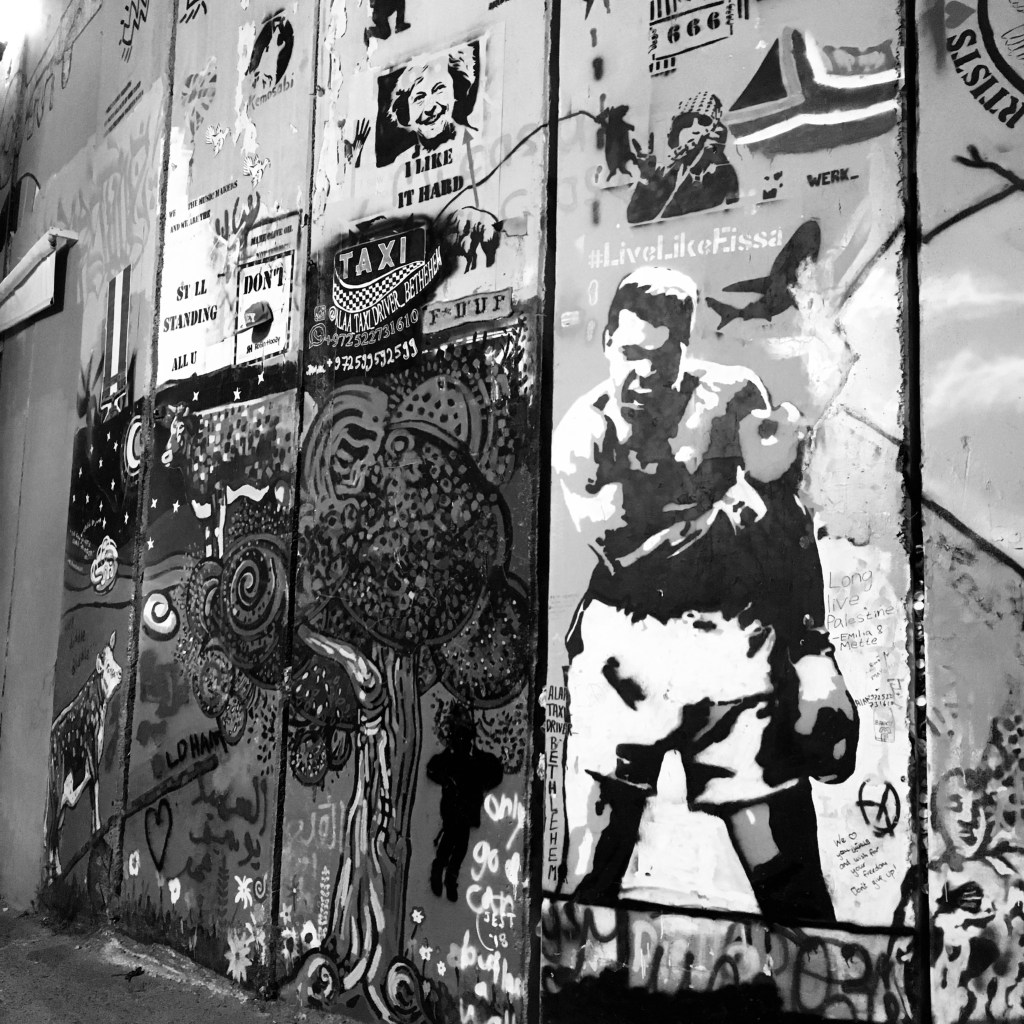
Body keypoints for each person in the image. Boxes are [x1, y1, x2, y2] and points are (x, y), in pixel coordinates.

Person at [553, 267, 858, 922]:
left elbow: (788, 532)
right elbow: (629, 554)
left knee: (789, 881)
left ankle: (822, 977)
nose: (643, 374)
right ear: (607, 342)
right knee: (590, 875)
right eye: (630, 353)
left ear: (683, 351)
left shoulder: (731, 398)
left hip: (730, 653)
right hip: (623, 659)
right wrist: (746, 500)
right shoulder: (584, 432)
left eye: (660, 358)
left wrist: (813, 655)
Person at [426, 711, 504, 902]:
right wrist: (447, 780)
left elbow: (495, 772)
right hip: (453, 811)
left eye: (465, 738)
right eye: (459, 738)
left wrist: (483, 786)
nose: (463, 742)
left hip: (466, 812)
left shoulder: (474, 760)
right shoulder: (452, 758)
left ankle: (449, 878)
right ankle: (440, 873)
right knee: (449, 844)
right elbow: (433, 769)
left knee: (459, 847)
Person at [627, 92, 739, 223]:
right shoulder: (660, 164)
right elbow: (635, 218)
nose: (695, 128)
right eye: (688, 121)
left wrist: (711, 157)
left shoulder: (719, 173)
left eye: (703, 122)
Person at [387, 45, 478, 155]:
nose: (430, 108)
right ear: (406, 113)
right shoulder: (403, 158)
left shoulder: (477, 141)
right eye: (419, 98)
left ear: (456, 93)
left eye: (439, 89)